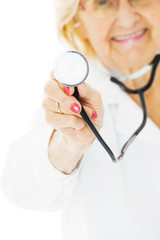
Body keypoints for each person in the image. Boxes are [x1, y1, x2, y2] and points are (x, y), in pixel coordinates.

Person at [1, 0, 160, 239]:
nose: (127, 18)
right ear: (78, 21)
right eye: (103, 2)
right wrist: (68, 144)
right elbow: (21, 188)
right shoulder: (73, 102)